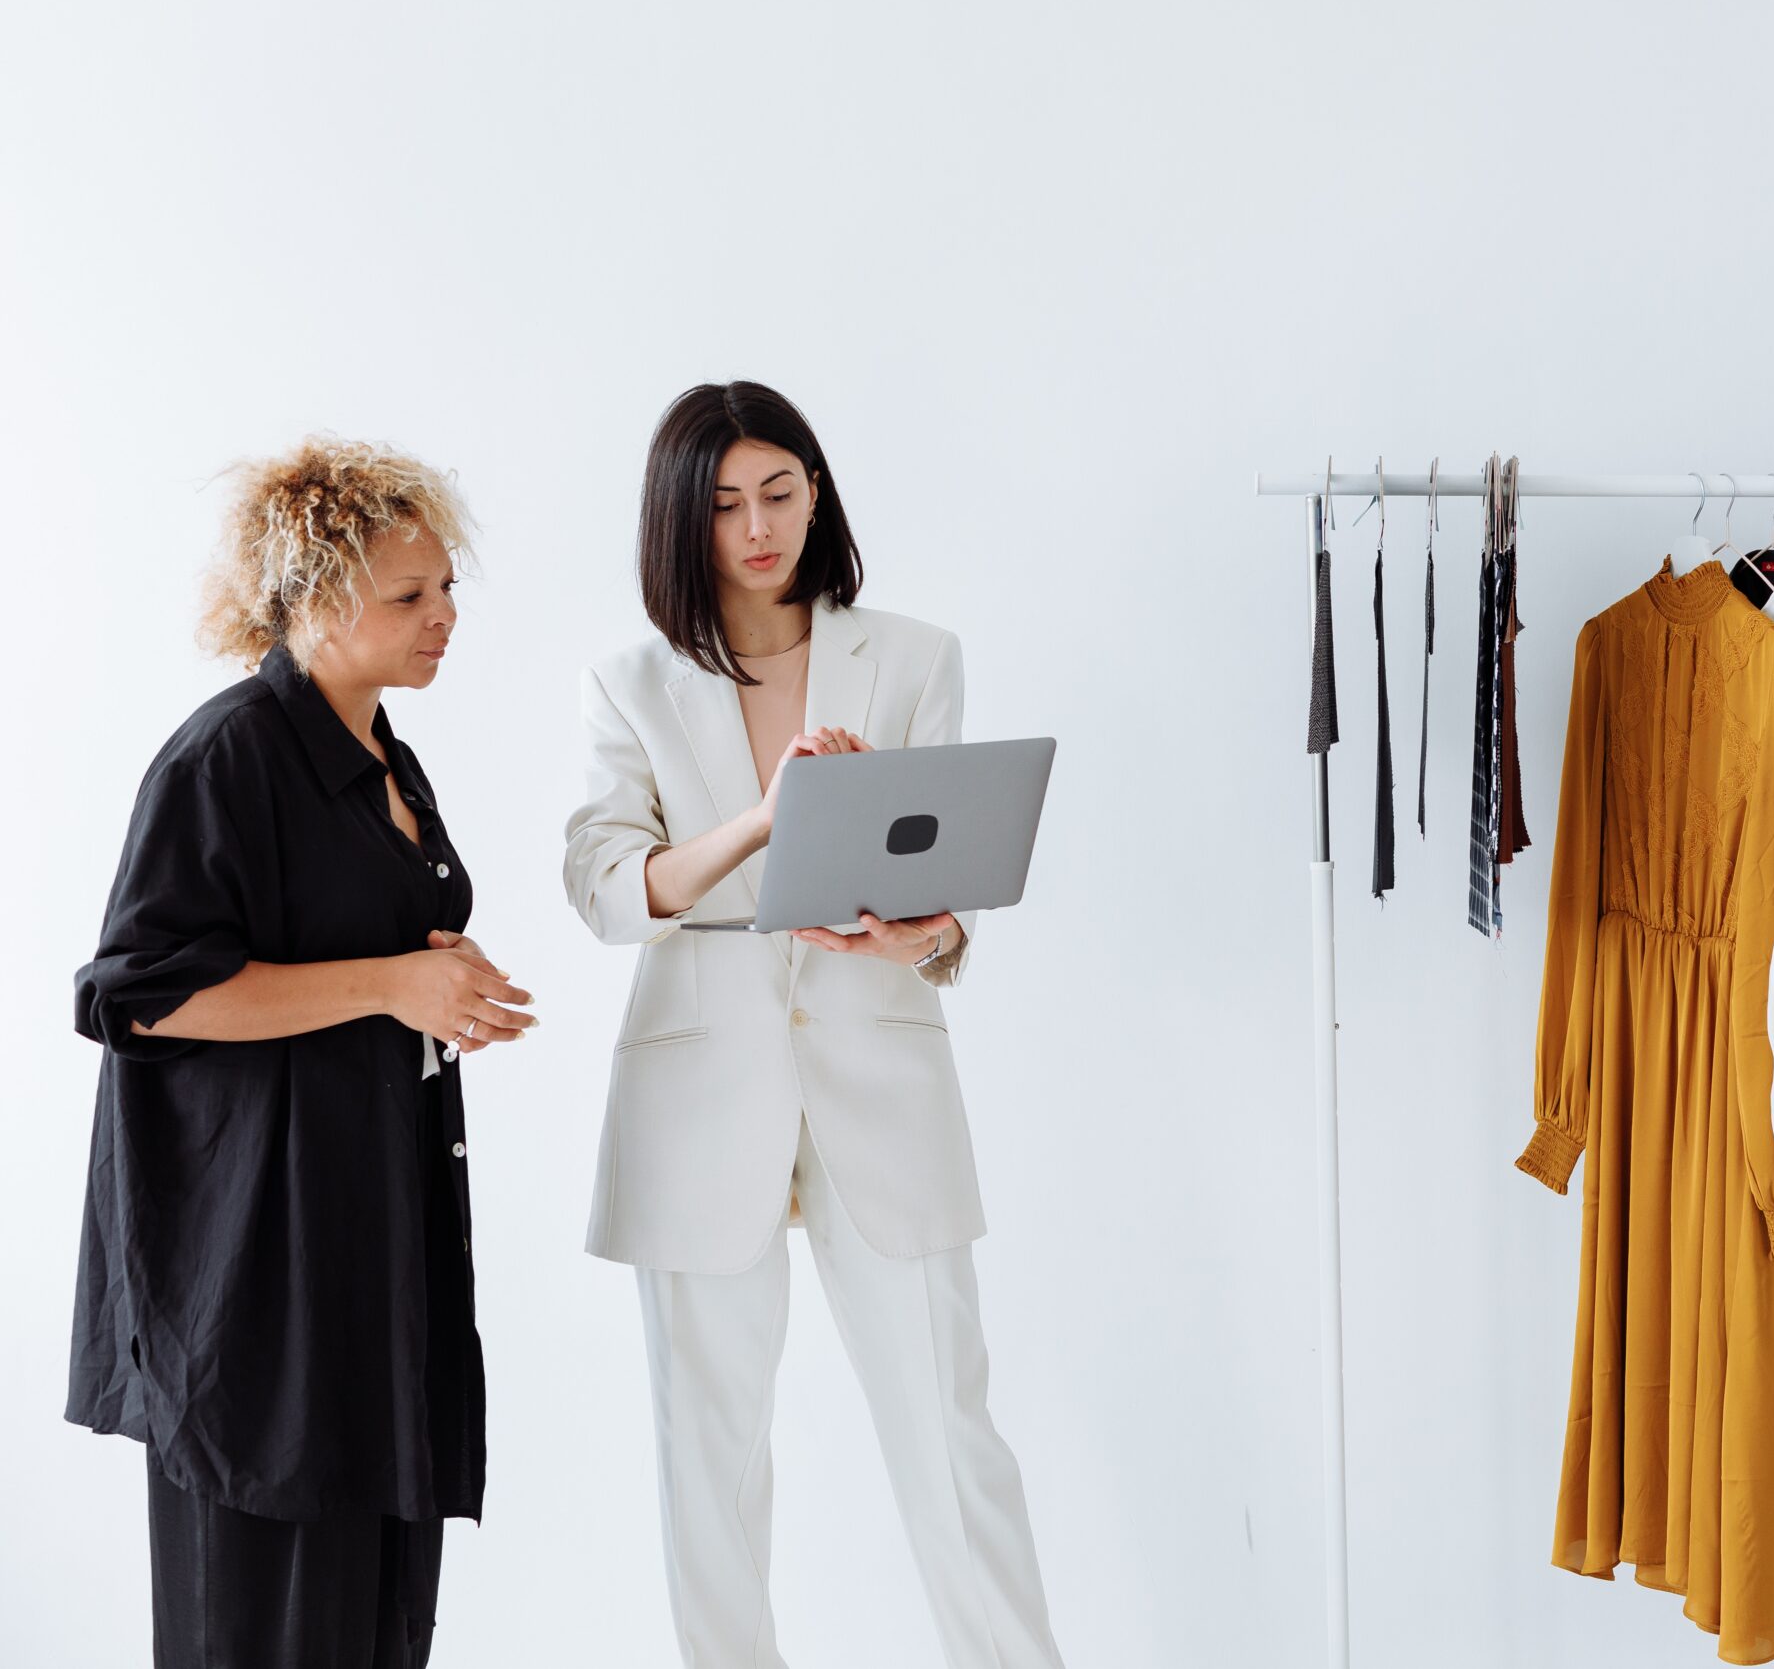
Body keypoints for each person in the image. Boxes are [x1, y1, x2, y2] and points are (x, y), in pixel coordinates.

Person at [564, 381, 1064, 1668]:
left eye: (780, 491)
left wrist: (927, 932)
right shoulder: (630, 683)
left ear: (817, 490)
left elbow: (948, 878)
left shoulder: (911, 656)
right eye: (724, 503)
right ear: (681, 521)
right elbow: (609, 888)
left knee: (950, 1439)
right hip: (696, 1085)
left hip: (877, 1060)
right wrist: (770, 815)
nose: (757, 526)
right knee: (709, 1455)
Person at [68, 438, 534, 1667]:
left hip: (370, 1249)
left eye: (447, 590)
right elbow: (141, 996)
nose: (444, 617)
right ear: (318, 598)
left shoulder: (385, 757)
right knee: (264, 1624)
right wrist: (393, 979)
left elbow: (343, 951)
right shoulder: (226, 757)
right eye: (408, 596)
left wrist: (437, 977)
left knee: (372, 1619)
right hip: (256, 1276)